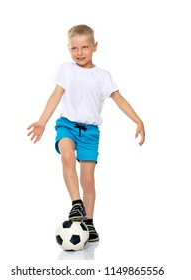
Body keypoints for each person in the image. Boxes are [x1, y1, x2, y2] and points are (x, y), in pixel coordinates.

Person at [27, 24, 145, 242]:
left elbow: (119, 99)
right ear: (68, 48)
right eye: (74, 48)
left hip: (90, 132)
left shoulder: (103, 76)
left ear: (95, 47)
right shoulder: (66, 69)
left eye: (84, 47)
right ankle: (76, 204)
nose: (79, 53)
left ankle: (88, 223)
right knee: (66, 156)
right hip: (67, 125)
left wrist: (138, 120)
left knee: (88, 180)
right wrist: (42, 122)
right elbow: (55, 96)